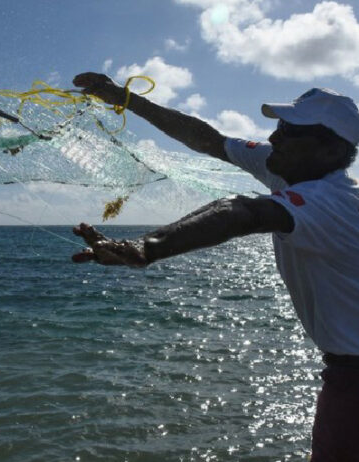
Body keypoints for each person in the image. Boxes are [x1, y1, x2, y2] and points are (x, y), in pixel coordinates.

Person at [71, 72, 359, 461]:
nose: (274, 138)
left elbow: (239, 212)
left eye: (290, 131)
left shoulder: (331, 202)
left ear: (331, 150)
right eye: (279, 127)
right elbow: (208, 139)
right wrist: (126, 99)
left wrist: (145, 247)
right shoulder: (288, 166)